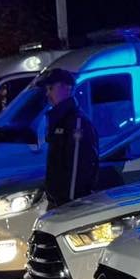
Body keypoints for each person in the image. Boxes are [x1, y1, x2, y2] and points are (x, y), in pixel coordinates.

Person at [36, 68, 99, 208]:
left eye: (50, 88)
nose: (47, 94)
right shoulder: (60, 120)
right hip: (58, 203)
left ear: (66, 88)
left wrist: (68, 204)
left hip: (67, 205)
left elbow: (78, 169)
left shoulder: (76, 123)